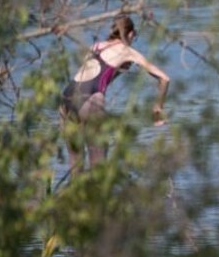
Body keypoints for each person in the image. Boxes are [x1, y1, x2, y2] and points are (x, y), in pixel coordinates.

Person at [59, 14, 170, 171]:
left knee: (75, 164)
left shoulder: (95, 47)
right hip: (91, 101)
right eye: (134, 37)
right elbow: (164, 79)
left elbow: (94, 75)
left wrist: (120, 70)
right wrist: (158, 107)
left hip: (66, 99)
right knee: (99, 165)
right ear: (130, 34)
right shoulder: (128, 52)